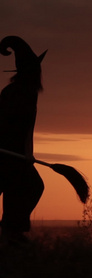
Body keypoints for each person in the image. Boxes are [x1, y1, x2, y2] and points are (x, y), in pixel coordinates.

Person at [0, 36, 47, 244]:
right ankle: (11, 231)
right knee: (31, 186)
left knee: (30, 186)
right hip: (8, 154)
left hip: (15, 154)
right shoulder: (20, 93)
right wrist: (25, 153)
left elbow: (27, 129)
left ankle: (11, 231)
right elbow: (20, 126)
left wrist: (29, 153)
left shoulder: (23, 92)